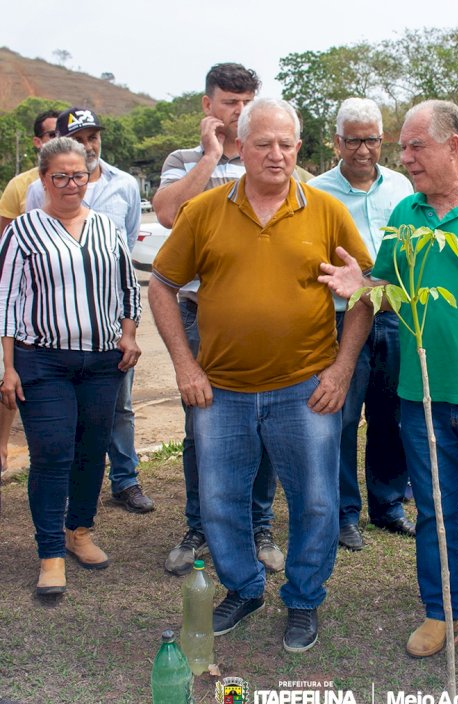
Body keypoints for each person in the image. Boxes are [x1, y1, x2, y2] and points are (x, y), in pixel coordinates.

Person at [319, 100, 458, 665]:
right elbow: (387, 292)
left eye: (415, 146)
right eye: (404, 147)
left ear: (454, 144)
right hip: (420, 397)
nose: (404, 157)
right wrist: (361, 284)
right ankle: (441, 610)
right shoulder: (408, 214)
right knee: (434, 510)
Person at [149, 98, 373, 652]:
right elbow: (161, 285)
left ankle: (302, 600)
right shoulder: (203, 212)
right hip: (220, 390)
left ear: (299, 148)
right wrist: (184, 364)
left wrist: (342, 369)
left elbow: (368, 291)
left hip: (305, 389)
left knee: (316, 500)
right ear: (240, 147)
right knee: (221, 498)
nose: (276, 154)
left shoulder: (325, 211)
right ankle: (244, 589)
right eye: (264, 143)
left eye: (286, 144)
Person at [153, 63, 283, 575]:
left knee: (266, 423)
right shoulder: (184, 159)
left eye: (247, 100)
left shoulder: (269, 156)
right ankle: (199, 524)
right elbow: (168, 213)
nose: (240, 111)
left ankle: (260, 524)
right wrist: (210, 157)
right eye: (230, 101)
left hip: (261, 322)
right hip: (198, 315)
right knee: (201, 424)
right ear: (207, 105)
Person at [0, 137, 141, 597]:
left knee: (91, 447)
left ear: (88, 176)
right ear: (43, 180)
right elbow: (6, 301)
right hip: (43, 360)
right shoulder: (23, 231)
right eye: (59, 176)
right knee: (53, 451)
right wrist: (8, 368)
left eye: (78, 175)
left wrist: (129, 334)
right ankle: (50, 553)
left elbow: (127, 286)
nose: (70, 184)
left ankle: (78, 531)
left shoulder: (105, 227)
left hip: (103, 362)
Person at [26, 107, 150, 514]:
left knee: (119, 409)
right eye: (79, 137)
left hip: (109, 329)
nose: (88, 144)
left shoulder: (125, 185)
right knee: (62, 422)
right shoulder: (36, 190)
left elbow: (124, 252)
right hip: (54, 337)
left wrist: (127, 330)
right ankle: (64, 493)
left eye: (93, 136)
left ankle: (125, 480)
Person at [309, 98, 415, 551]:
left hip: (393, 315)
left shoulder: (402, 186)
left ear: (381, 139)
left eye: (371, 139)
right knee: (343, 416)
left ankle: (388, 504)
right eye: (353, 140)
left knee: (392, 414)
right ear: (337, 141)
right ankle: (343, 512)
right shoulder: (316, 192)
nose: (363, 150)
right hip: (340, 321)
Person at [0, 110, 59, 472]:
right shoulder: (21, 186)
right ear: (38, 141)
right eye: (51, 133)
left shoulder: (86, 181)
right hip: (24, 305)